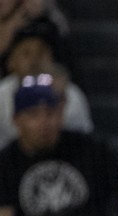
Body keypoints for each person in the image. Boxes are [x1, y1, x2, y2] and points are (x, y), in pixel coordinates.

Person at [0, 74, 118, 216]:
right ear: (16, 120)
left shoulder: (89, 148)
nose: (44, 122)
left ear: (60, 115)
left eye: (50, 113)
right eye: (33, 115)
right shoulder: (6, 161)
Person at [0, 18, 91, 147]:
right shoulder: (1, 95)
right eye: (26, 53)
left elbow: (83, 146)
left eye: (41, 52)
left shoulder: (71, 94)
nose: (34, 61)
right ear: (11, 62)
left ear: (52, 57)